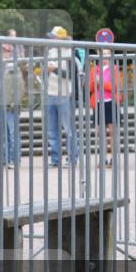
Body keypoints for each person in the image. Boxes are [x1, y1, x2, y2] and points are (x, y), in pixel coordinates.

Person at [44, 26, 79, 167]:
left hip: (65, 94)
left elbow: (71, 75)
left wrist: (55, 70)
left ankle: (72, 158)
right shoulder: (50, 51)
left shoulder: (70, 52)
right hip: (50, 93)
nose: (51, 39)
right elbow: (47, 73)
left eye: (53, 37)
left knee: (68, 128)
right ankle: (55, 159)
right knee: (52, 130)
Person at [89, 49, 122, 168]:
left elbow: (115, 87)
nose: (105, 56)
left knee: (113, 132)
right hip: (98, 102)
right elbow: (90, 88)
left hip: (111, 102)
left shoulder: (113, 69)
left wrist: (101, 82)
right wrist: (94, 82)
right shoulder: (94, 69)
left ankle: (113, 158)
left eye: (107, 54)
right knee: (100, 132)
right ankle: (102, 158)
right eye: (103, 53)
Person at [0, 42, 26, 169]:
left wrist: (14, 104)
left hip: (10, 106)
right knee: (4, 135)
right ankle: (6, 159)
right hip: (0, 105)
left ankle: (15, 159)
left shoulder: (14, 69)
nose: (2, 53)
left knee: (13, 134)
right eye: (0, 51)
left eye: (5, 51)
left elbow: (20, 88)